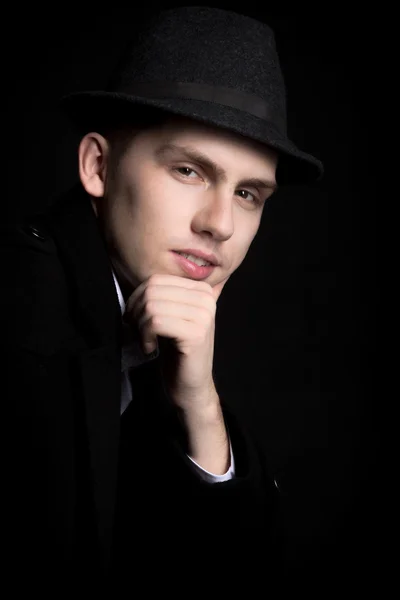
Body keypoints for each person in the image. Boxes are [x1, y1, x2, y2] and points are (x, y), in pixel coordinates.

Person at [3, 5, 324, 591]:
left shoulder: (156, 327)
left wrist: (198, 405)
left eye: (249, 193)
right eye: (189, 171)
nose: (221, 224)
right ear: (98, 166)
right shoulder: (15, 311)